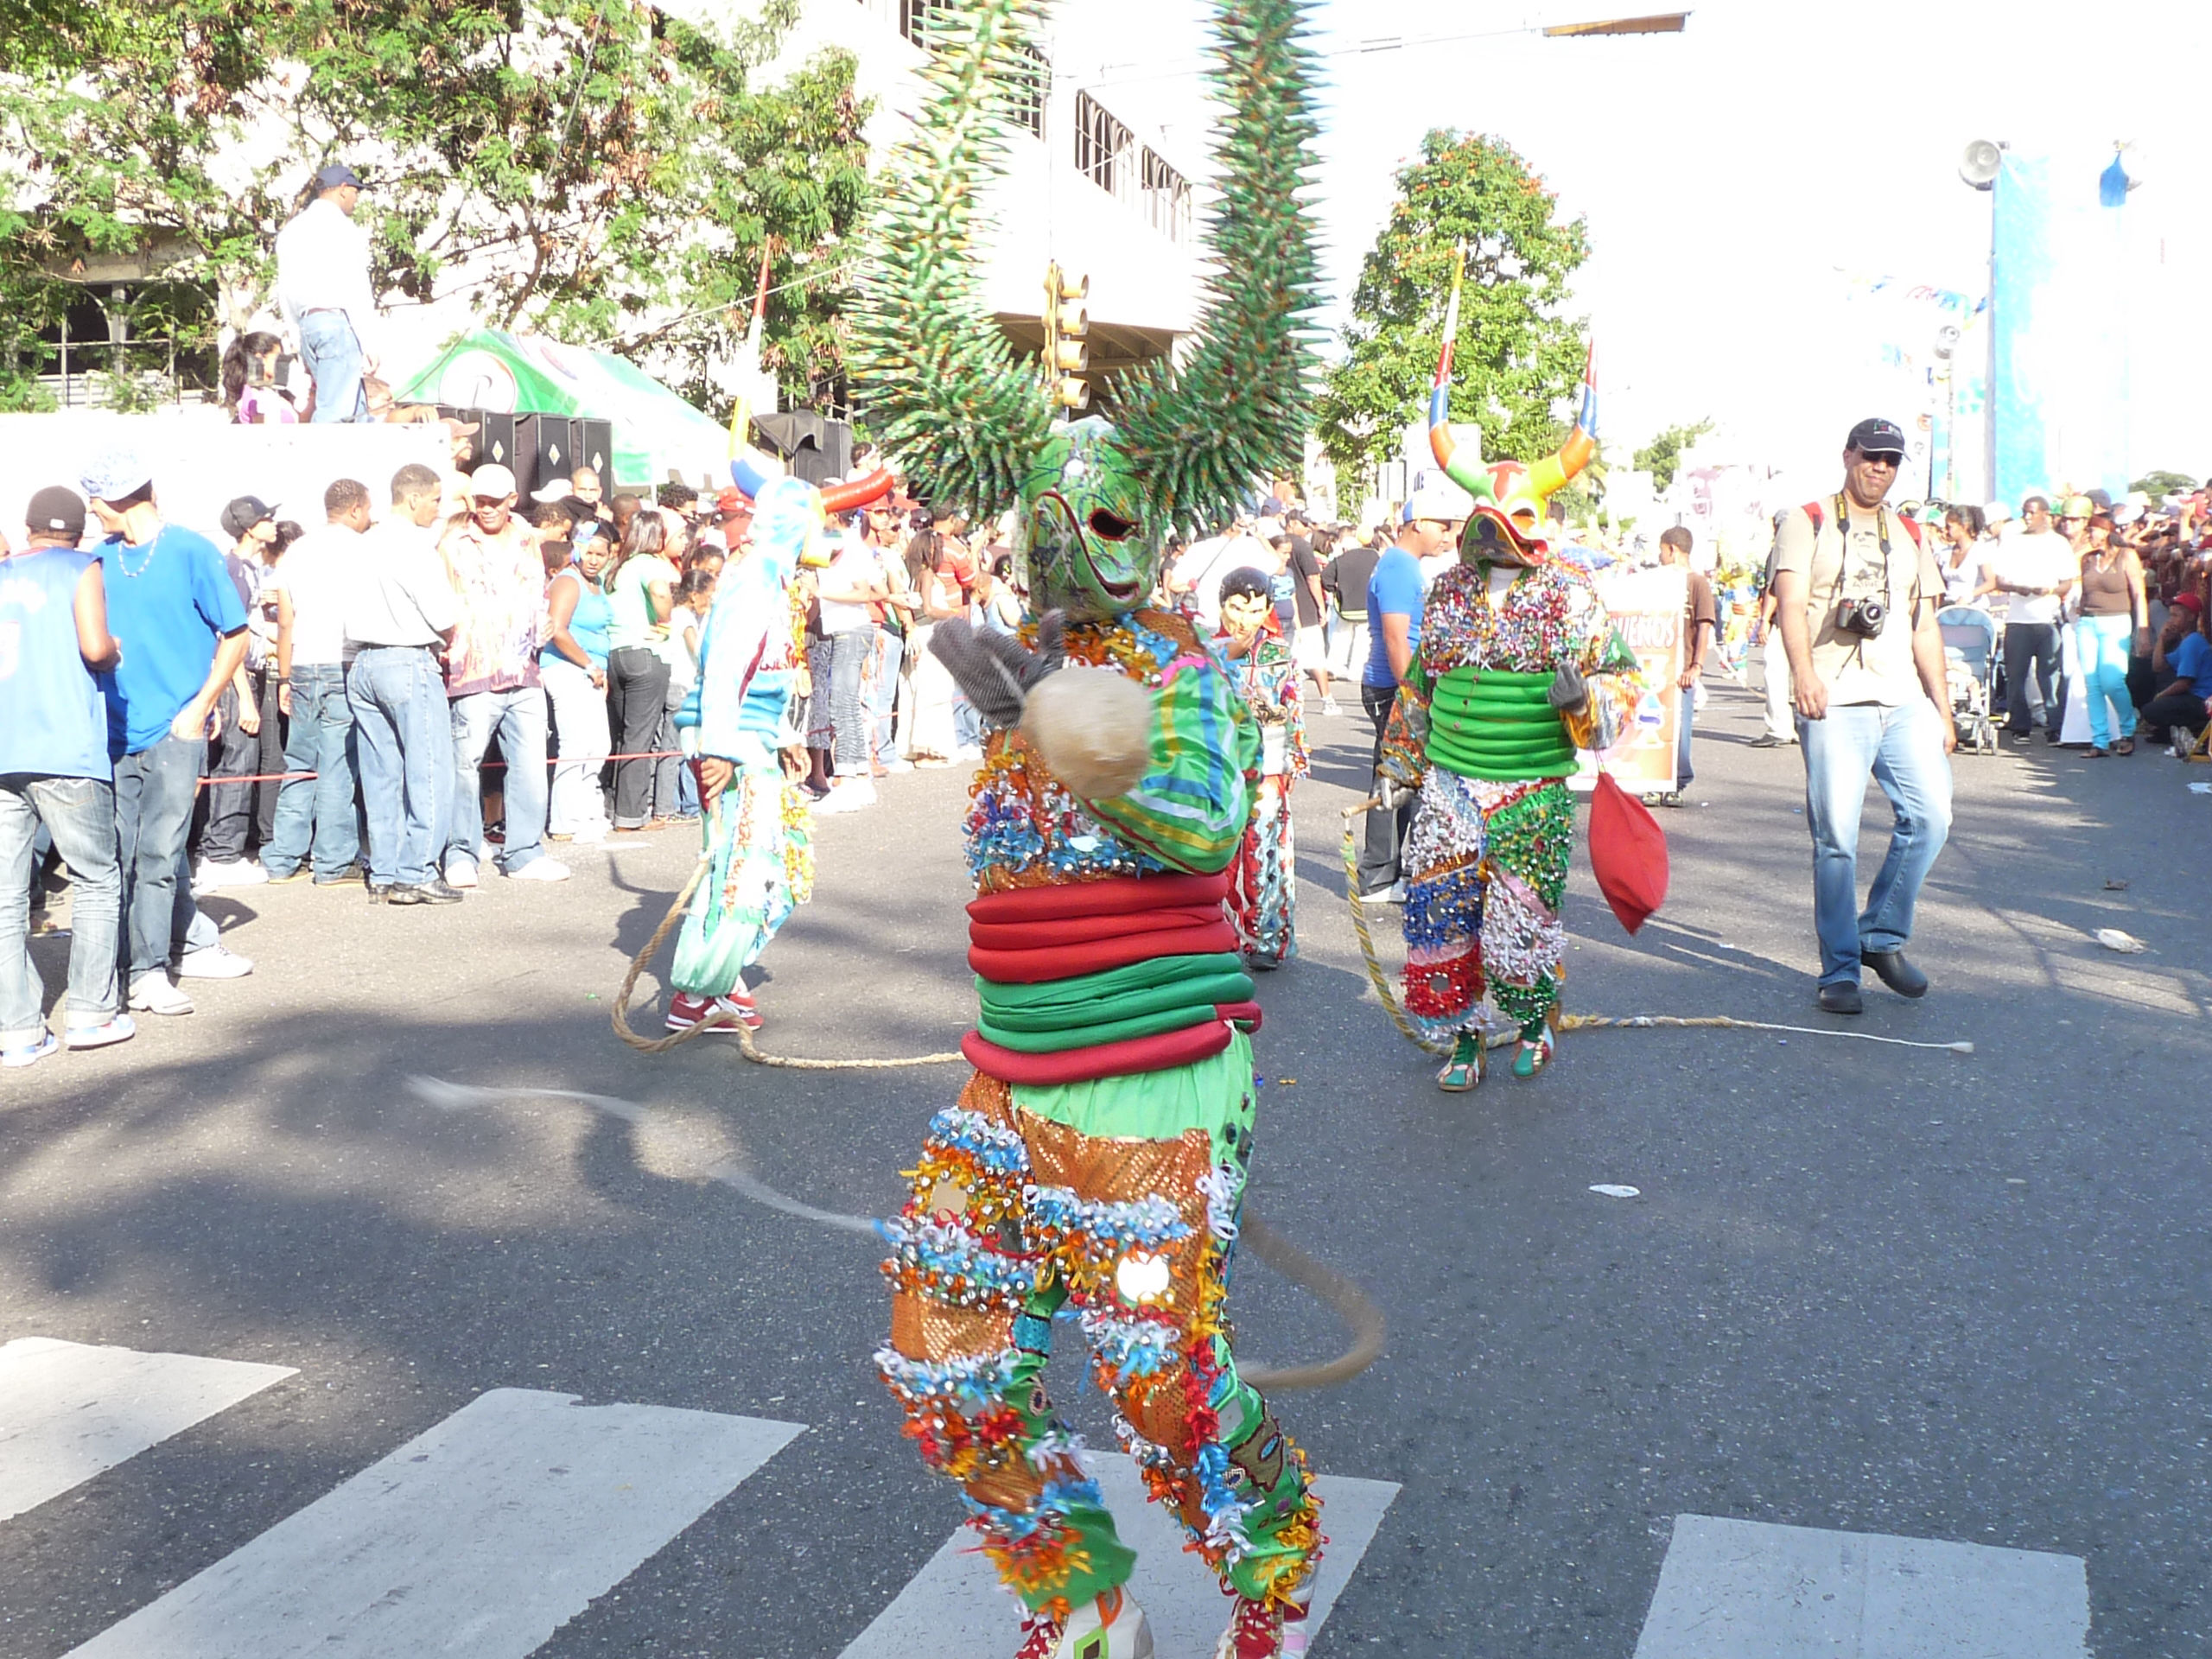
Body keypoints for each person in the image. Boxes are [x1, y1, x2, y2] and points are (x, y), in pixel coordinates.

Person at [852, 0, 1325, 1639]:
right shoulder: (1022, 678)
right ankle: (1082, 1604)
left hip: (1148, 1100)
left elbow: (1198, 827)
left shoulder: (1189, 679)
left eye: (1105, 517)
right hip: (1005, 1085)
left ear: (1155, 523)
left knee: (1165, 1397)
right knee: (942, 1372)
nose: (1072, 545)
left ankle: (1269, 1555)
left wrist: (1080, 742)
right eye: (1044, 520)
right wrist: (1012, 714)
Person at [1376, 325, 1640, 1090]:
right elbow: (1420, 686)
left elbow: (1622, 686)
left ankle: (1532, 1020)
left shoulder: (1571, 596)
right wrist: (1398, 767)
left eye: (1512, 520)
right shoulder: (1449, 592)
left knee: (1520, 921)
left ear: (1536, 525)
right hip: (1451, 786)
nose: (1494, 535)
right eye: (1483, 522)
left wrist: (1586, 700)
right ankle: (1461, 1036)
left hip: (1532, 791)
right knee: (1436, 912)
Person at [1771, 417, 1955, 1016]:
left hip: (1901, 699)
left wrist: (1944, 708)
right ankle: (1841, 970)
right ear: (1848, 454)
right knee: (1837, 841)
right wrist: (1804, 674)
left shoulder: (1909, 531)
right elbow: (1792, 603)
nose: (1880, 468)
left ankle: (1880, 935)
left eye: (1891, 460)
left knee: (1931, 817)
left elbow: (1925, 624)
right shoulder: (1809, 520)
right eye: (1871, 456)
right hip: (1834, 699)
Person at [80, 453, 251, 1015]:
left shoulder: (190, 551)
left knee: (157, 852)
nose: (90, 509)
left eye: (96, 499)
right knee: (124, 855)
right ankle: (157, 954)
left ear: (124, 497)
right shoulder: (98, 560)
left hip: (176, 727)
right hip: (113, 730)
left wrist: (202, 704)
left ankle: (150, 971)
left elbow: (236, 633)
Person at [664, 476, 826, 1035]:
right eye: (815, 522)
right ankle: (698, 992)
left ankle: (723, 973)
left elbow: (765, 673)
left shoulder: (773, 579)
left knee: (779, 859)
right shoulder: (754, 581)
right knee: (740, 866)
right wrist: (721, 749)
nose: (822, 534)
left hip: (752, 736)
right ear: (794, 525)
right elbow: (727, 668)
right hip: (729, 741)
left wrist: (784, 735)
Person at [0, 486, 133, 1065]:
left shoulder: (2, 574)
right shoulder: (83, 567)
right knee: (97, 880)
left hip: (6, 750)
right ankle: (89, 1011)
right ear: (78, 532)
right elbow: (94, 646)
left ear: (28, 528)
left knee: (5, 898)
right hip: (67, 749)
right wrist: (114, 650)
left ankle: (17, 1027)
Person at [438, 462, 566, 884]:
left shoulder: (529, 538)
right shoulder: (453, 541)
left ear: (513, 499)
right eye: (481, 500)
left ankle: (525, 852)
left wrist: (545, 622)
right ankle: (460, 852)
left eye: (496, 500)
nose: (487, 508)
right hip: (471, 668)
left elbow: (538, 593)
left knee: (529, 763)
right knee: (465, 764)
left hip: (524, 668)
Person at [347, 462, 463, 905]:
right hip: (408, 659)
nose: (438, 510)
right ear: (413, 498)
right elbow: (444, 614)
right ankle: (415, 871)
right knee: (430, 769)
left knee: (380, 775)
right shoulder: (415, 546)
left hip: (363, 662)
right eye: (435, 500)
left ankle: (385, 870)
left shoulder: (364, 542)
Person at [261, 480, 371, 884]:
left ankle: (283, 857)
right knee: (339, 766)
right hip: (344, 661)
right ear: (357, 509)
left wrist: (285, 677)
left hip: (303, 664)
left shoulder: (297, 551)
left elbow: (285, 619)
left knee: (300, 763)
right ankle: (334, 861)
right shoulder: (363, 550)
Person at [1356, 491, 1460, 902]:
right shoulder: (1399, 568)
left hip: (1399, 686)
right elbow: (1397, 638)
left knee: (1406, 777)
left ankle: (1397, 874)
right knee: (1392, 775)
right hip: (1393, 686)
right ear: (1416, 523)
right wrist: (1412, 695)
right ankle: (1378, 876)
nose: (1446, 535)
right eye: (1441, 525)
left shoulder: (1405, 565)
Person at [1216, 567, 1307, 969]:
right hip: (1217, 768)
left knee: (1265, 854)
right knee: (1218, 856)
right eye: (1236, 608)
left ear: (1269, 608)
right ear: (1221, 607)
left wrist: (1294, 759)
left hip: (1267, 769)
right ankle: (1217, 934)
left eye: (1255, 610)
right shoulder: (1203, 651)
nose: (1245, 619)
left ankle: (1266, 937)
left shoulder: (1279, 653)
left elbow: (1295, 708)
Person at [194, 495, 283, 888]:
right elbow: (226, 639)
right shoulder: (232, 569)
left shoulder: (248, 570)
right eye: (267, 519)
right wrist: (245, 698)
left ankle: (219, 849)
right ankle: (222, 853)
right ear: (249, 528)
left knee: (239, 761)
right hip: (236, 678)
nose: (274, 524)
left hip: (246, 673)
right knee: (236, 762)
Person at [273, 162, 378, 424]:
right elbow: (356, 287)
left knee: (357, 413)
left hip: (308, 326)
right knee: (335, 414)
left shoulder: (291, 231)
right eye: (355, 192)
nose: (356, 199)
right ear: (343, 189)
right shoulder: (343, 228)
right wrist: (370, 342)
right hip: (336, 326)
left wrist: (297, 336)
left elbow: (284, 288)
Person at [603, 511, 680, 830]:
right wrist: (665, 620)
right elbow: (661, 592)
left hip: (616, 651)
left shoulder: (615, 567)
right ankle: (631, 816)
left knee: (621, 734)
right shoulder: (649, 564)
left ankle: (612, 804)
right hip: (647, 652)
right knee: (640, 737)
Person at [541, 531, 614, 843]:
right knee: (576, 744)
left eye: (601, 554)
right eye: (589, 552)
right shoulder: (568, 581)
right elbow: (557, 629)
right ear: (578, 550)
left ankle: (587, 811)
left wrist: (599, 669)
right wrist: (588, 665)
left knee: (599, 745)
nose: (594, 559)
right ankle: (564, 819)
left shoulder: (596, 584)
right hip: (566, 668)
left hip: (592, 671)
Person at [812, 515, 887, 813]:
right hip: (849, 628)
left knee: (842, 704)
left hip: (850, 628)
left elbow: (864, 592)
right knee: (847, 704)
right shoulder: (854, 545)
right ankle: (857, 774)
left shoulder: (849, 546)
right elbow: (880, 590)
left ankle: (845, 777)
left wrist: (821, 592)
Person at [1990, 494, 2075, 743]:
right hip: (2018, 619)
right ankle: (2020, 726)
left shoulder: (2058, 543)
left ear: (2045, 514)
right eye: (2024, 512)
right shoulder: (2012, 542)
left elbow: (2067, 582)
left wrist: (2049, 590)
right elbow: (2000, 580)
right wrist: (2017, 587)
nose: (2027, 517)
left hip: (2046, 619)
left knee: (2050, 677)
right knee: (2015, 676)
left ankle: (2055, 726)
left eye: (2032, 512)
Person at [2072, 512, 2148, 757]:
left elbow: (2138, 594)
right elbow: (2085, 591)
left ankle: (2127, 730)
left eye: (2091, 531)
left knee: (2112, 680)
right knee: (2092, 683)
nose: (2088, 536)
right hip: (2088, 622)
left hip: (2116, 621)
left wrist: (2143, 629)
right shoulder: (2087, 559)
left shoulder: (2127, 556)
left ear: (2104, 531)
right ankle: (2100, 740)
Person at [1654, 525, 1713, 805]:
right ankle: (1654, 781)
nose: (1660, 556)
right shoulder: (1659, 582)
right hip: (1657, 669)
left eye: (1661, 551)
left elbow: (1704, 627)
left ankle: (1677, 782)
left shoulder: (1697, 584)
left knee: (1680, 731)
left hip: (1683, 671)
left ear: (1672, 550)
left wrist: (1696, 666)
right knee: (1653, 726)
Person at [2139, 601, 2212, 752]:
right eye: (2170, 615)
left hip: (2202, 699)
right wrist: (2161, 639)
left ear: (2191, 617)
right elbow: (2158, 666)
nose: (2171, 620)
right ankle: (2170, 731)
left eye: (2175, 615)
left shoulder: (2193, 642)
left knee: (2151, 710)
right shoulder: (2185, 642)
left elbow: (2184, 682)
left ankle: (2195, 728)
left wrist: (2161, 696)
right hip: (2194, 697)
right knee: (2160, 679)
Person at [220, 332, 301, 425]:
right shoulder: (256, 397)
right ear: (260, 359)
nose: (282, 363)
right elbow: (264, 435)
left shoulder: (272, 393)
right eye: (278, 357)